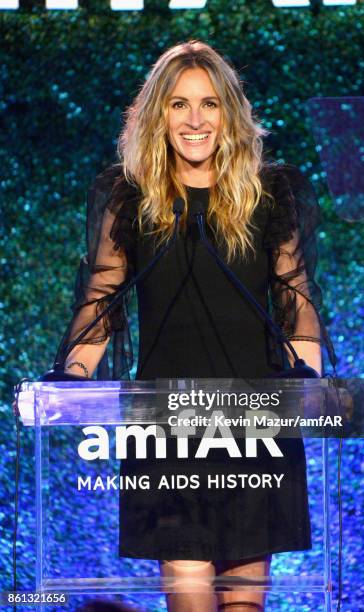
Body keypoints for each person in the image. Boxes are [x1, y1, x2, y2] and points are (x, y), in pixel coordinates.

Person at [56, 41, 336, 612]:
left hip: (257, 429)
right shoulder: (130, 197)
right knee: (189, 598)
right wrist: (70, 379)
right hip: (171, 433)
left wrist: (311, 383)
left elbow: (295, 299)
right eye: (179, 104)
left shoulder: (270, 193)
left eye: (209, 104)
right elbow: (103, 298)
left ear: (229, 113)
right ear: (157, 114)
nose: (194, 119)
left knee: (244, 604)